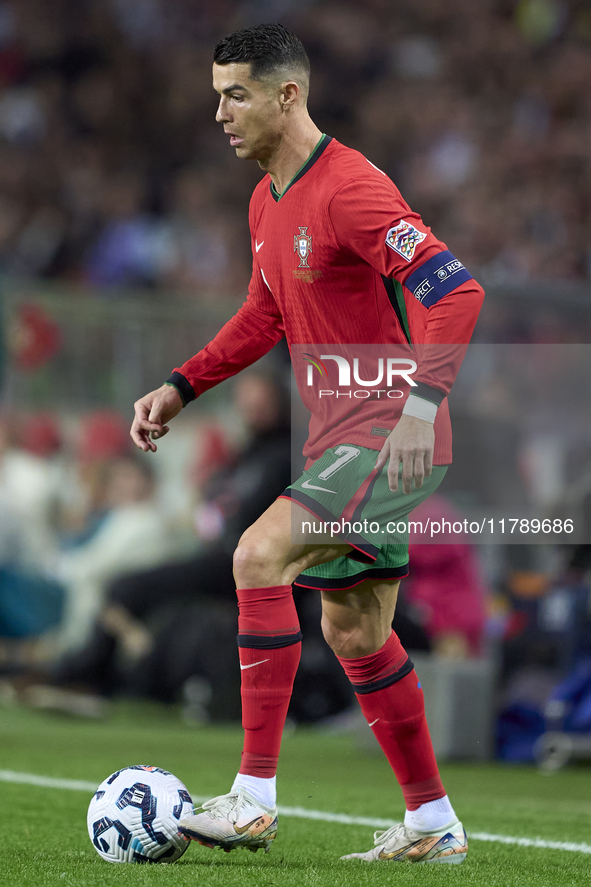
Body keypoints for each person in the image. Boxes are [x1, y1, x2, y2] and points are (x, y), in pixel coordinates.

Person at [130, 24, 484, 865]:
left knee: (256, 556)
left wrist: (416, 405)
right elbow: (264, 315)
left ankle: (252, 798)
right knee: (356, 632)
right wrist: (181, 385)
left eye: (235, 93)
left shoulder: (351, 188)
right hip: (345, 434)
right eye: (216, 93)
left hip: (389, 428)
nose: (218, 112)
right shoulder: (265, 200)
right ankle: (434, 822)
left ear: (288, 95)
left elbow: (455, 291)